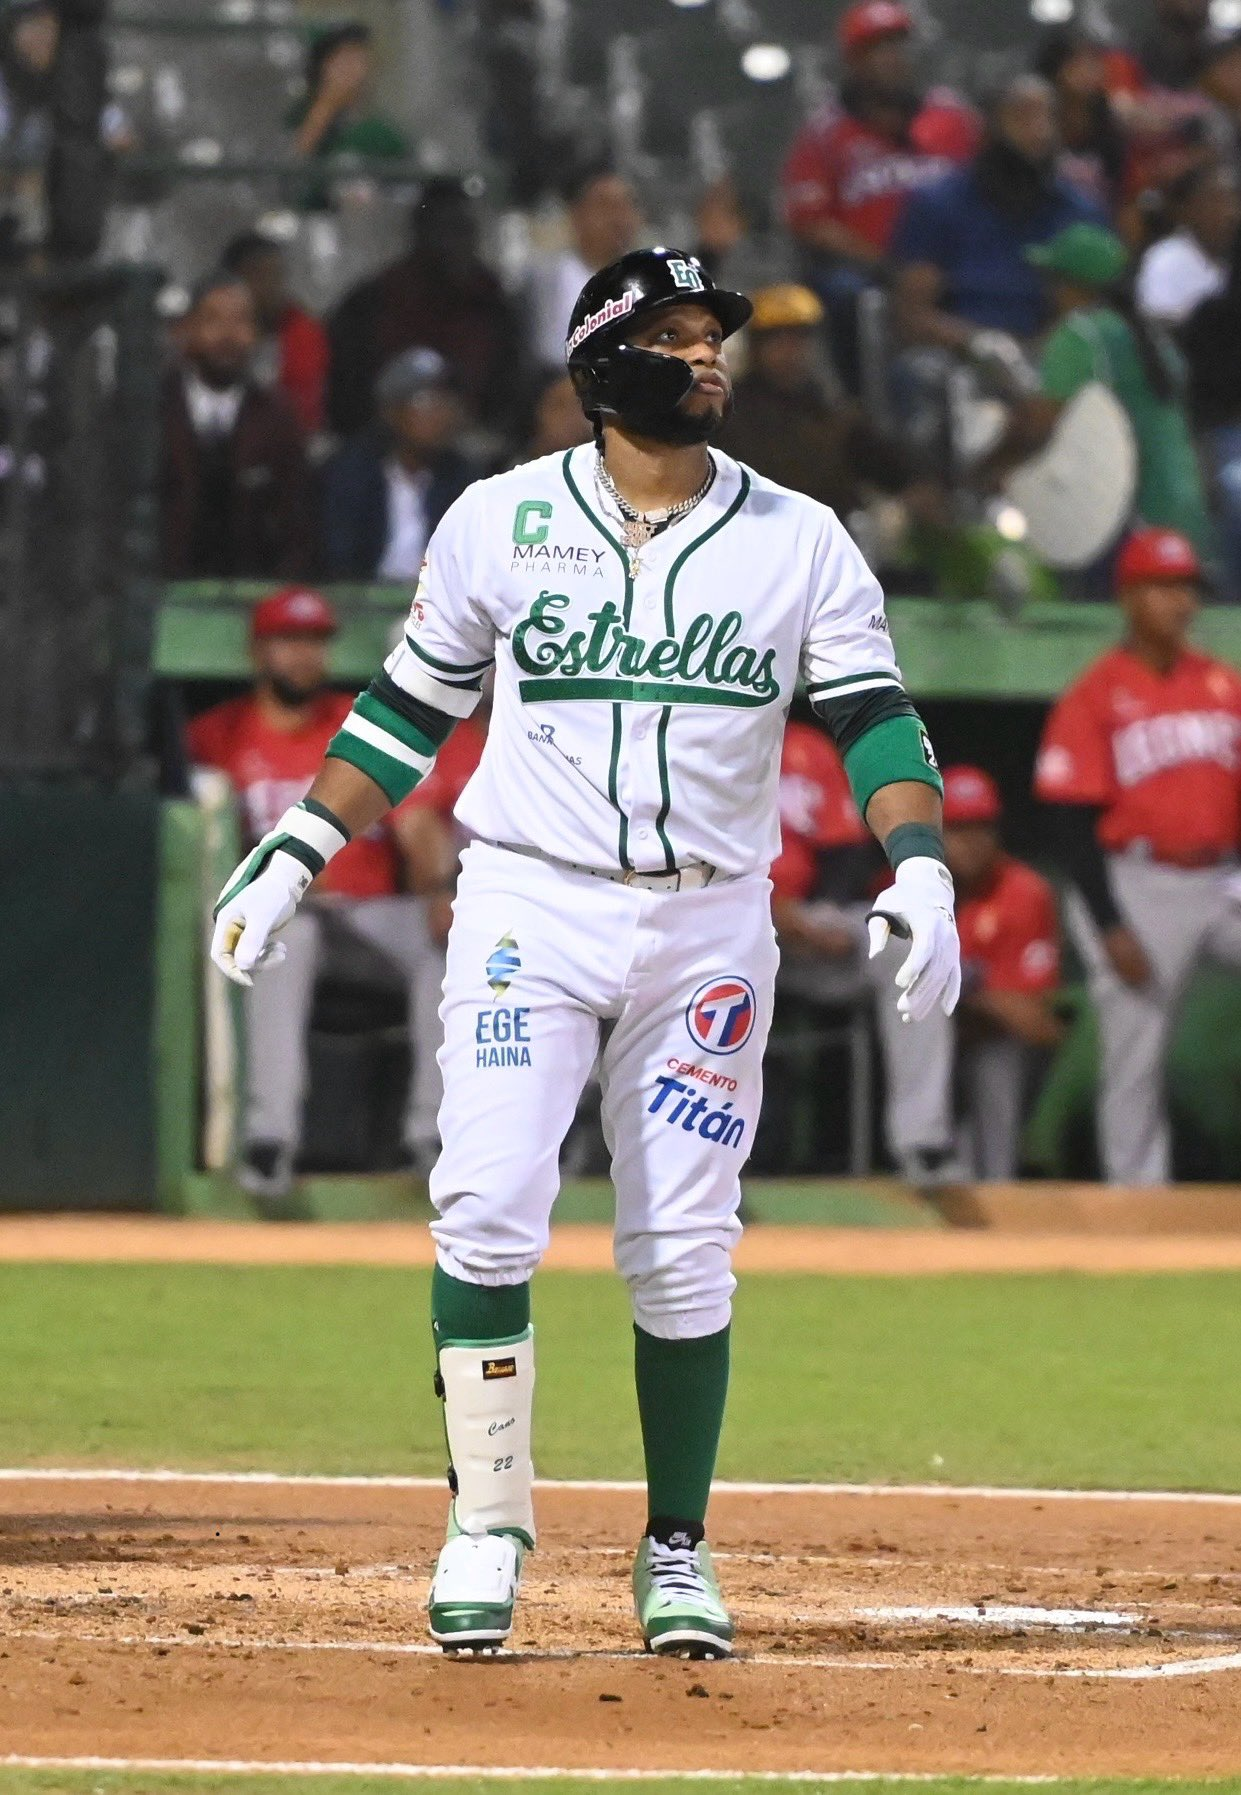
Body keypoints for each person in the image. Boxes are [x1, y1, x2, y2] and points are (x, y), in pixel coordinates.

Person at [208, 247, 960, 1658]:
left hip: (708, 917)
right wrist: (300, 845)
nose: (707, 355)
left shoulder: (799, 536)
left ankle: (675, 1547)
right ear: (604, 361)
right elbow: (407, 706)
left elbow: (872, 715)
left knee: (681, 1247)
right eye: (674, 335)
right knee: (487, 1205)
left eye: (711, 335)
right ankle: (486, 1523)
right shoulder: (497, 520)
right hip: (528, 902)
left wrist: (916, 860)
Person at [188, 587, 448, 1197]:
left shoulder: (358, 725)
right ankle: (268, 1143)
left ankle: (435, 1140)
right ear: (258, 650)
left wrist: (438, 886)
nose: (303, 656)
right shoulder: (217, 735)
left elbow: (418, 824)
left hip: (369, 917)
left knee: (450, 944)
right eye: (288, 641)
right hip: (285, 918)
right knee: (287, 936)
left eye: (314, 642)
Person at [1034, 527, 1241, 1185]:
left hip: (1223, 878)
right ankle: (1136, 1203)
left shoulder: (1222, 684)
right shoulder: (1094, 694)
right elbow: (1071, 826)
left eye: (1187, 588)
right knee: (1135, 1049)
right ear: (1128, 597)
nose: (1181, 602)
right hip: (1137, 882)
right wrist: (1109, 923)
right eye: (1164, 587)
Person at [780, 0, 976, 387]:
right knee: (844, 293)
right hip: (873, 272)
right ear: (854, 61)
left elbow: (984, 194)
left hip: (952, 263)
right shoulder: (825, 132)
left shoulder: (950, 117)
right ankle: (860, 401)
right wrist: (888, 267)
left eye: (897, 46)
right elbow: (811, 223)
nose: (892, 58)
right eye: (877, 49)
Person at [997, 222, 1213, 558]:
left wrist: (990, 468)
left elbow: (1039, 425)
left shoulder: (1080, 336)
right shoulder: (1152, 336)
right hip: (1186, 505)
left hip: (1124, 516)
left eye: (1054, 280)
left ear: (1072, 285)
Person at [891, 74, 1105, 354]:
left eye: (1049, 118)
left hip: (1050, 354)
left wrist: (1039, 354)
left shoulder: (1078, 211)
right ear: (989, 127)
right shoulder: (939, 203)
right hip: (959, 352)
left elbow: (1088, 308)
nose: (1040, 133)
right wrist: (986, 346)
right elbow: (913, 314)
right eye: (1023, 117)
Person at [327, 178, 526, 438]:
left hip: (477, 442)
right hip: (386, 444)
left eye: (462, 231)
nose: (452, 244)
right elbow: (347, 395)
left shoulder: (493, 304)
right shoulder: (373, 302)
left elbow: (509, 396)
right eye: (443, 230)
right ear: (420, 234)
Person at [712, 282, 929, 519]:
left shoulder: (833, 413)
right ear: (756, 347)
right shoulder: (726, 412)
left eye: (799, 339)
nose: (790, 351)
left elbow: (894, 471)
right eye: (777, 340)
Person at [940, 766, 1063, 1180]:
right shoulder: (902, 885)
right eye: (958, 829)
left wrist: (968, 991)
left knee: (997, 1056)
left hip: (986, 1041)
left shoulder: (1024, 892)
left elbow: (1037, 1024)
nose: (972, 842)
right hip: (919, 1038)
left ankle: (998, 1188)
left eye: (982, 827)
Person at [160, 273, 315, 579]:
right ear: (187, 328)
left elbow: (297, 524)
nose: (228, 335)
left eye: (241, 322)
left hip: (253, 591)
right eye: (213, 320)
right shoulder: (155, 410)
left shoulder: (277, 417)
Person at [323, 347, 480, 581]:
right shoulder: (351, 473)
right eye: (427, 401)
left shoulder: (462, 479)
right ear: (392, 412)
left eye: (448, 402)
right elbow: (338, 559)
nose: (441, 414)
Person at [526, 166, 643, 371]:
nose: (618, 218)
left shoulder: (651, 281)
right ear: (576, 215)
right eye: (605, 206)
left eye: (626, 205)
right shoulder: (547, 281)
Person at [220, 230, 331, 436]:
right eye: (258, 276)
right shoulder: (209, 340)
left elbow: (306, 408)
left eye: (276, 275)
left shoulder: (303, 333)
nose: (270, 286)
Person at [1034, 24, 1131, 217]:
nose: (1087, 71)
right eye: (1076, 63)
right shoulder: (1038, 122)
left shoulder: (1112, 125)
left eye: (1093, 62)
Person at [289, 23, 409, 165]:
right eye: (340, 58)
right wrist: (326, 107)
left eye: (358, 58)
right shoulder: (297, 116)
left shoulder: (378, 132)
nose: (350, 68)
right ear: (321, 65)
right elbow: (291, 161)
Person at [1136, 161, 1239, 326]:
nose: (1228, 212)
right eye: (1215, 201)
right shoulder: (1165, 259)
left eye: (1232, 201)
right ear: (1187, 208)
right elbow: (1158, 325)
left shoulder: (1231, 257)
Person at [508, 370, 592, 465]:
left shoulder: (591, 467)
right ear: (540, 411)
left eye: (580, 407)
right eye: (560, 406)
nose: (572, 417)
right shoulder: (505, 466)